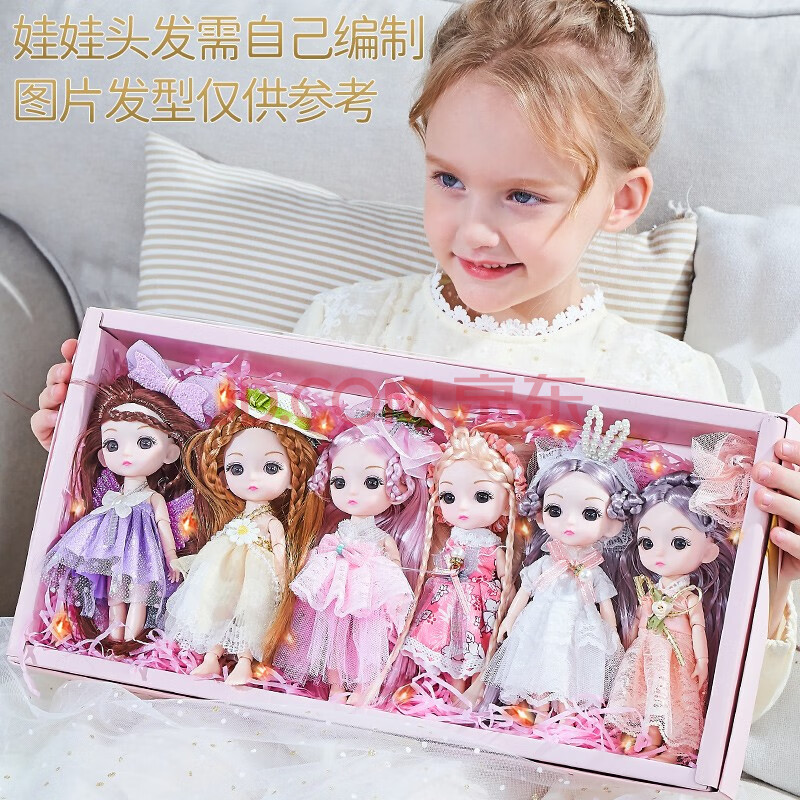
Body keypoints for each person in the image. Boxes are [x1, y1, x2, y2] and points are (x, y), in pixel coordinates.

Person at [29, 0, 798, 793]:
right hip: (301, 707)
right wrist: (94, 459)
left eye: (523, 196)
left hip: (514, 742)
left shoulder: (667, 384)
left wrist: (773, 568)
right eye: (449, 179)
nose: (474, 230)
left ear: (621, 200)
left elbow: (715, 683)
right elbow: (253, 496)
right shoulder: (340, 328)